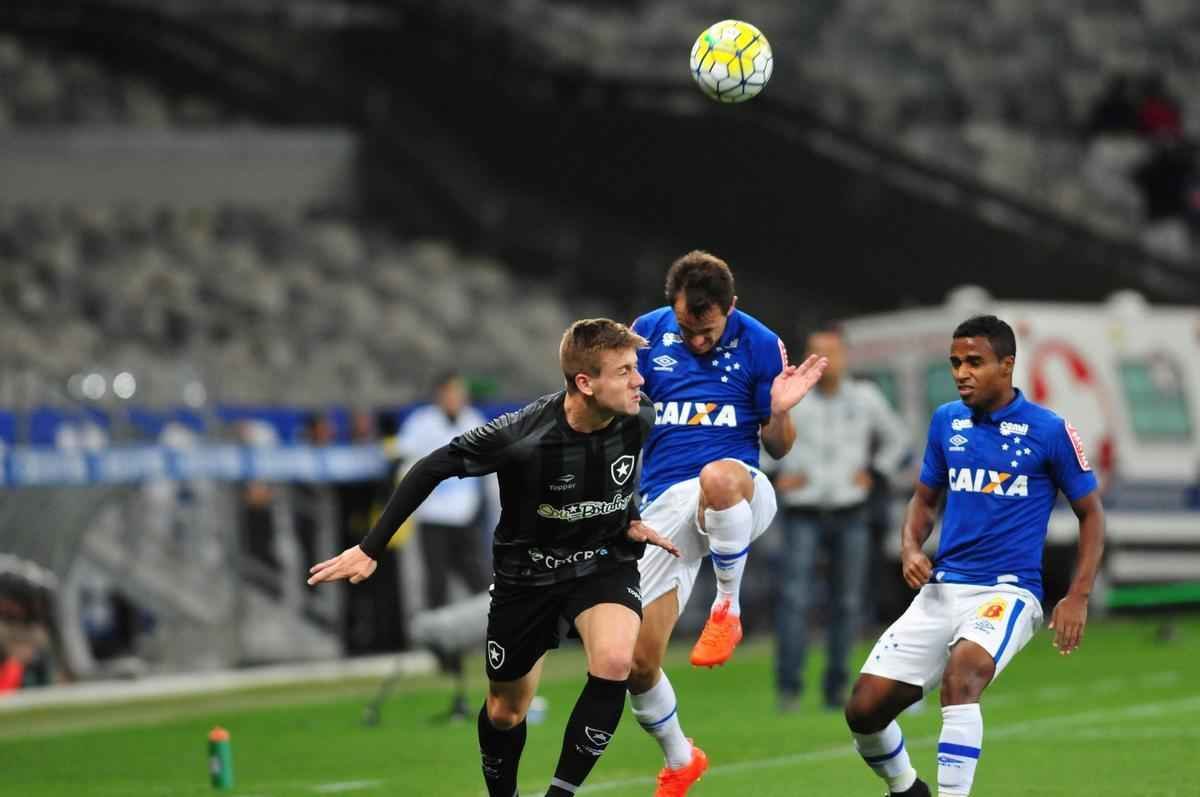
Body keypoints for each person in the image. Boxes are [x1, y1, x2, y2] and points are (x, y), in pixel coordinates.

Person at [307, 318, 680, 797]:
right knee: (506, 712)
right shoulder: (522, 435)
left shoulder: (638, 414)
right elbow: (430, 467)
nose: (640, 380)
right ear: (585, 383)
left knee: (614, 660)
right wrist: (369, 548)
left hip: (602, 562)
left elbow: (617, 475)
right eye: (625, 371)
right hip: (527, 576)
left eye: (637, 368)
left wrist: (628, 516)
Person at [842, 315, 1105, 797]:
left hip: (1008, 590)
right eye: (956, 362)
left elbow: (1091, 514)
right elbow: (924, 499)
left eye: (974, 362)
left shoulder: (1049, 431)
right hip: (943, 588)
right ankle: (905, 789)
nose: (961, 372)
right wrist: (909, 548)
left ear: (1007, 366)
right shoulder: (946, 422)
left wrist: (1078, 595)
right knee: (864, 709)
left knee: (963, 676)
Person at [626, 250, 827, 795]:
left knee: (716, 475)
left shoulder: (761, 343)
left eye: (707, 330)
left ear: (730, 308)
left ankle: (727, 607)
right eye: (687, 328)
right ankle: (680, 757)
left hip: (738, 490)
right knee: (634, 664)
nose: (696, 340)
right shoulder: (645, 332)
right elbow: (619, 422)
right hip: (665, 505)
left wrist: (780, 412)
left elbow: (779, 450)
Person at [772, 324, 909, 712]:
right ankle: (790, 688)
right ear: (805, 356)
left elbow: (898, 438)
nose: (826, 363)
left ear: (846, 357)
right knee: (794, 600)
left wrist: (875, 471)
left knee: (847, 602)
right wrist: (775, 473)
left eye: (832, 353)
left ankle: (835, 687)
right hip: (802, 509)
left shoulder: (864, 397)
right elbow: (760, 434)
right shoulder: (792, 396)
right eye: (817, 352)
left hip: (851, 509)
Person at [397, 371, 492, 615]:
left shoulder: (473, 420)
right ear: (440, 394)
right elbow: (404, 464)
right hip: (433, 518)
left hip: (465, 517)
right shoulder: (421, 423)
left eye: (460, 391)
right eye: (452, 391)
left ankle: (494, 635)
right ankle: (439, 642)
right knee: (436, 582)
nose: (457, 397)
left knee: (479, 580)